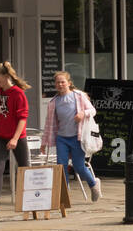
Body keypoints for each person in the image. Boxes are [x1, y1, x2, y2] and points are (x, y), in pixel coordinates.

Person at [40, 71, 102, 203]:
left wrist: (83, 113)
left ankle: (93, 184)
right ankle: (64, 196)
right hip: (62, 138)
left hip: (77, 137)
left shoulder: (78, 96)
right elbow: (48, 124)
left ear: (69, 83)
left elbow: (93, 110)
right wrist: (44, 142)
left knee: (78, 166)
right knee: (61, 167)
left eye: (63, 82)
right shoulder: (53, 102)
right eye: (57, 82)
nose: (60, 84)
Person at [0, 61, 30, 214]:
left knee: (24, 167)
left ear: (6, 76)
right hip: (2, 136)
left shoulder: (18, 93)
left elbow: (22, 118)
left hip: (18, 136)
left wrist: (15, 138)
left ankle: (29, 199)